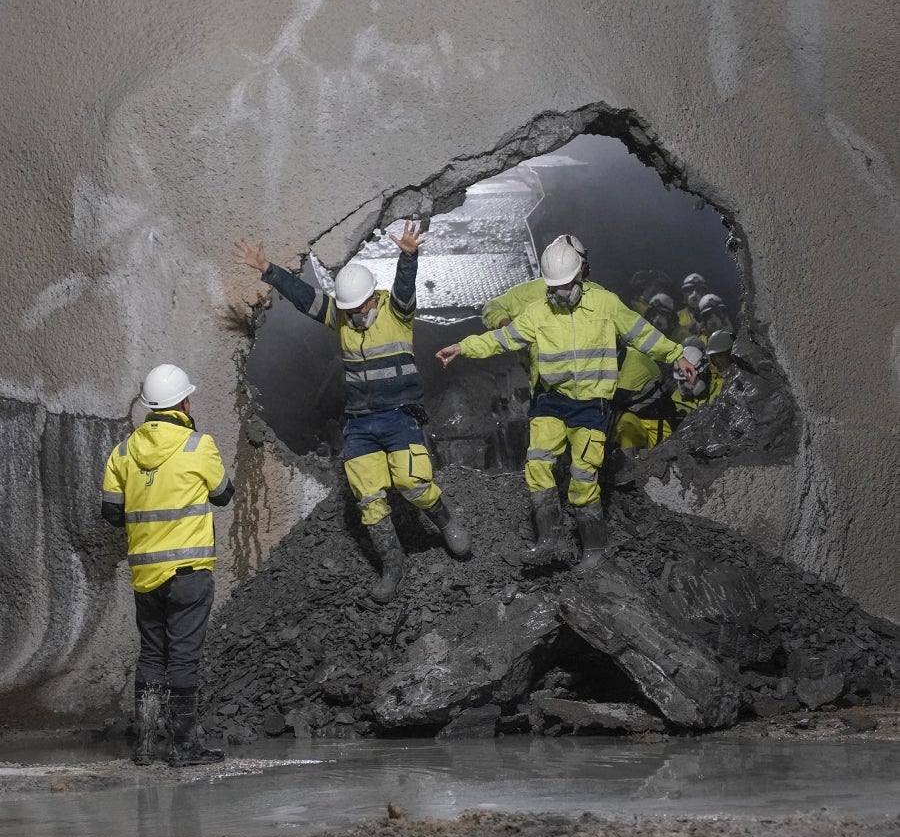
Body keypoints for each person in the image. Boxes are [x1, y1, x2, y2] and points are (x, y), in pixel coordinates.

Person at [234, 223, 469, 604]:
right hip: (361, 422)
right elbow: (306, 299)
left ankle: (446, 521)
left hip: (400, 415)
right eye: (349, 310)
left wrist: (409, 257)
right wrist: (268, 270)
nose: (355, 316)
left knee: (412, 483)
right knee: (368, 497)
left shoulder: (396, 313)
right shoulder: (342, 317)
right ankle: (393, 566)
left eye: (359, 308)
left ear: (372, 299)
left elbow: (405, 290)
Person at [437, 239, 696, 565]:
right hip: (551, 399)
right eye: (554, 287)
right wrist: (463, 347)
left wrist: (675, 354)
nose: (560, 293)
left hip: (591, 403)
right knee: (537, 464)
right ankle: (549, 540)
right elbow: (503, 339)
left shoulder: (605, 304)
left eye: (566, 285)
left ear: (580, 275)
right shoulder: (538, 312)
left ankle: (594, 552)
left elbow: (640, 333)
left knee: (583, 476)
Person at [101, 364, 234, 767]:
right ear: (184, 403)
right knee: (183, 659)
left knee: (151, 656)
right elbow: (223, 494)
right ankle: (183, 748)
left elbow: (111, 513)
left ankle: (144, 747)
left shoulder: (122, 452)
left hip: (145, 576)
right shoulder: (198, 446)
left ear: (149, 407)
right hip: (190, 574)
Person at [481, 232, 590, 391]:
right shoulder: (529, 294)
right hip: (548, 385)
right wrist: (509, 328)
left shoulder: (599, 297)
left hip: (582, 387)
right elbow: (492, 307)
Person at [672, 345, 722, 415]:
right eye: (682, 381)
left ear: (704, 374)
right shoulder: (673, 402)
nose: (687, 385)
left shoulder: (722, 388)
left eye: (689, 379)